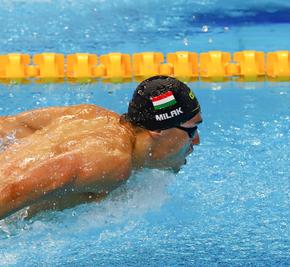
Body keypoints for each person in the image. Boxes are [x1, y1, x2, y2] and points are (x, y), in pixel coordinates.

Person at [0, 75, 203, 220]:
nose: (196, 141)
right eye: (192, 129)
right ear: (159, 129)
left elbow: (9, 126)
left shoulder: (90, 115)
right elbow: (16, 189)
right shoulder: (113, 161)